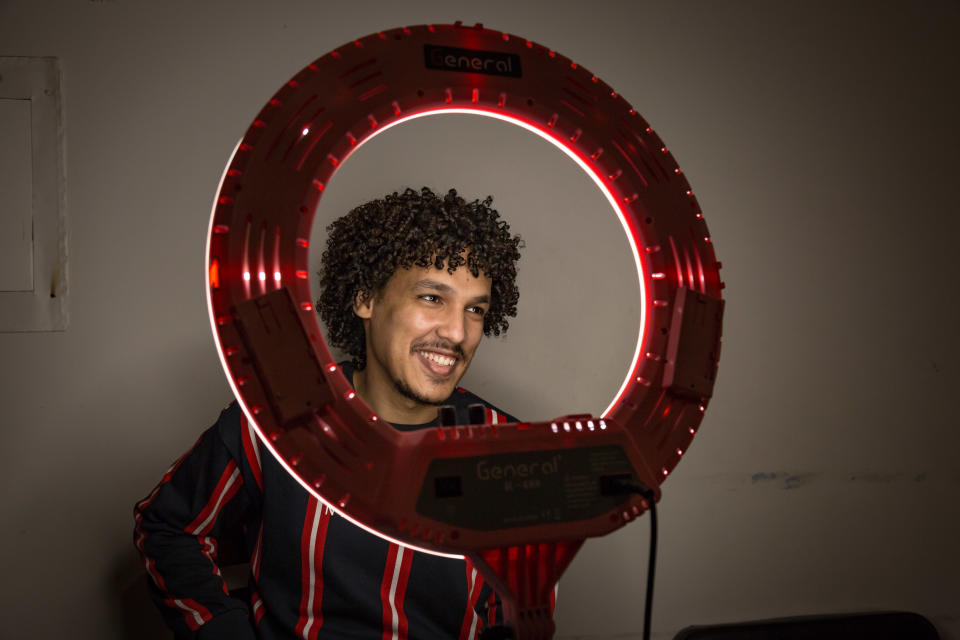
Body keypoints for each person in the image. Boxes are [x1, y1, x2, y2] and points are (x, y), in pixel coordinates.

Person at [134, 187, 524, 640]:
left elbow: (515, 610)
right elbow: (167, 526)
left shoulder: (507, 449)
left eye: (475, 309)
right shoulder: (279, 422)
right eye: (432, 298)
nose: (458, 332)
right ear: (365, 299)